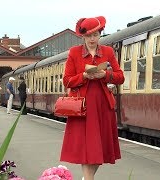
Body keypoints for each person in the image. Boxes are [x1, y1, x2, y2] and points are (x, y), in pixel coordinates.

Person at [60, 16, 125, 180]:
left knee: (99, 149)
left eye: (95, 35)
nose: (92, 39)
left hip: (103, 105)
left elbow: (120, 77)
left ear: (100, 34)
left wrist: (105, 75)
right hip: (83, 107)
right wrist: (83, 76)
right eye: (88, 35)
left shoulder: (108, 52)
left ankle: (85, 179)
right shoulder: (74, 53)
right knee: (88, 149)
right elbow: (67, 80)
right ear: (82, 36)